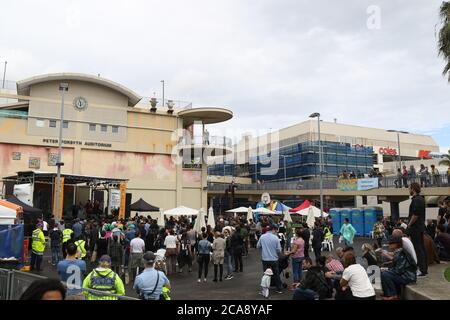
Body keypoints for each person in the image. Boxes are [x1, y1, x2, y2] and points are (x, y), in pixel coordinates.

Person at [406, 183, 427, 276]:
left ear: (413, 189)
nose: (408, 190)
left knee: (418, 249)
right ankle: (423, 269)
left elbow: (415, 214)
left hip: (416, 228)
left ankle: (422, 270)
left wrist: (409, 225)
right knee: (420, 248)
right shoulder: (420, 199)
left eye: (409, 188)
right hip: (419, 227)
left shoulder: (417, 200)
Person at [257, 224, 283, 294]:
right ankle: (279, 289)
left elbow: (258, 246)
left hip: (265, 259)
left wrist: (264, 248)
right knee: (276, 274)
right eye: (276, 230)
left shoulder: (262, 237)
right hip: (274, 259)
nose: (276, 232)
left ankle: (265, 290)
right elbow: (279, 250)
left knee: (266, 275)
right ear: (274, 229)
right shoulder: (275, 238)